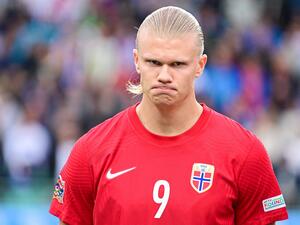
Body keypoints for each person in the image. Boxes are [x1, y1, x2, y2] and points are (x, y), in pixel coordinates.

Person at [49, 6, 288, 225]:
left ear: (200, 65)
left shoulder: (244, 152)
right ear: (136, 61)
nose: (164, 75)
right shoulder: (90, 152)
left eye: (177, 64)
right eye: (154, 62)